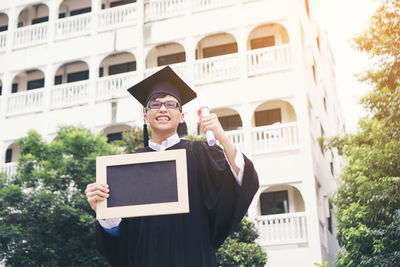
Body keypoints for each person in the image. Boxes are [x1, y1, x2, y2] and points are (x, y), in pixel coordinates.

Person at [85, 66, 259, 267]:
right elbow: (120, 235)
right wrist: (103, 211)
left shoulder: (201, 154)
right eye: (155, 104)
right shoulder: (130, 166)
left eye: (170, 104)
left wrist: (222, 137)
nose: (162, 109)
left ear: (181, 115)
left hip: (193, 258)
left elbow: (240, 181)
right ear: (145, 116)